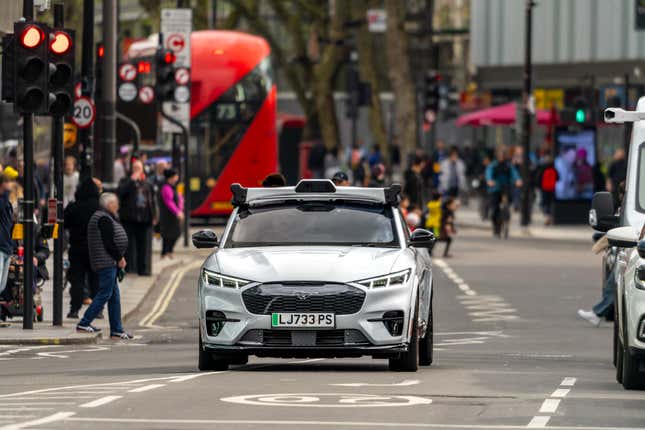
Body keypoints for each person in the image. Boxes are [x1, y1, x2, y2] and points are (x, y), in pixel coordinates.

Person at [77, 193, 133, 339]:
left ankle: (116, 330)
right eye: (115, 203)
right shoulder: (103, 218)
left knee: (114, 296)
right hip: (107, 262)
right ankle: (84, 322)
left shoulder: (104, 217)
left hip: (108, 262)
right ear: (109, 205)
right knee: (105, 294)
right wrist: (119, 258)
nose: (118, 206)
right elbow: (109, 242)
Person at [64, 177, 101, 318]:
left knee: (77, 280)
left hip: (77, 248)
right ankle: (97, 310)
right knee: (95, 280)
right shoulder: (98, 207)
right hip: (95, 249)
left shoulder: (74, 206)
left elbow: (65, 223)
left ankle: (74, 309)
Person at [117, 160, 156, 276]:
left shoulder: (147, 183)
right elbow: (120, 193)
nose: (137, 170)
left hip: (145, 219)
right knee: (129, 245)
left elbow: (153, 201)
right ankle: (130, 268)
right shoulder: (125, 181)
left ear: (143, 169)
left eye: (139, 168)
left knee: (144, 246)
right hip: (129, 219)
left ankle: (144, 269)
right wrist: (131, 180)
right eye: (135, 168)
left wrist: (154, 215)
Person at [486, 146, 522, 237]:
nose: (501, 157)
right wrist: (490, 181)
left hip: (506, 188)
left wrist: (517, 180)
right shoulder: (493, 165)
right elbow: (488, 174)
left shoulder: (508, 165)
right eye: (500, 155)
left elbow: (514, 173)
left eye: (503, 155)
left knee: (507, 205)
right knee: (495, 209)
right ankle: (496, 228)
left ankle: (506, 219)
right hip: (495, 188)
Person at [159, 169, 184, 258]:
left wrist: (180, 210)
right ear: (171, 178)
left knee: (175, 233)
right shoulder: (166, 188)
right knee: (168, 234)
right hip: (168, 215)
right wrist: (178, 212)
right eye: (175, 176)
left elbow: (180, 198)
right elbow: (169, 202)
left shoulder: (174, 186)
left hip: (174, 215)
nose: (177, 178)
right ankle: (165, 252)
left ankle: (168, 251)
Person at [0, 173, 15, 298]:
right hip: (0, 246)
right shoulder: (3, 201)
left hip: (7, 247)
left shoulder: (7, 202)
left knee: (2, 286)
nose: (11, 184)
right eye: (8, 182)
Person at [537, 156, 558, 226]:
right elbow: (558, 177)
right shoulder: (554, 169)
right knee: (551, 203)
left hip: (545, 189)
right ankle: (550, 216)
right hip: (552, 189)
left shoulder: (543, 168)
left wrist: (539, 186)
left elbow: (539, 178)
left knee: (544, 204)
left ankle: (547, 217)